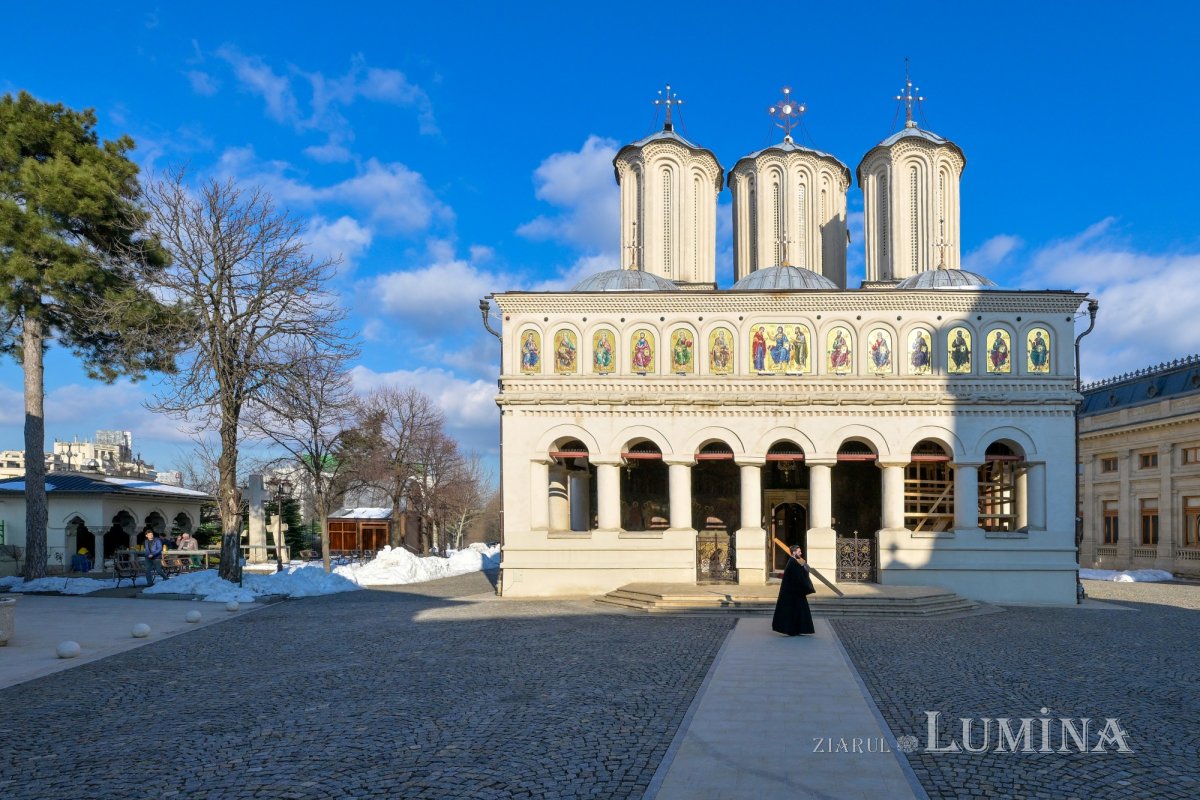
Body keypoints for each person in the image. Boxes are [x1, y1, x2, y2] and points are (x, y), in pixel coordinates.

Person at [772, 546, 815, 636]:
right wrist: (805, 570)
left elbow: (799, 575)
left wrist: (803, 568)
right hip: (793, 593)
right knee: (794, 612)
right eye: (799, 552)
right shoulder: (793, 563)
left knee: (797, 612)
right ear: (794, 552)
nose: (801, 553)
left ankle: (796, 629)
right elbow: (799, 577)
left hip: (795, 593)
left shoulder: (794, 562)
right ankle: (792, 630)